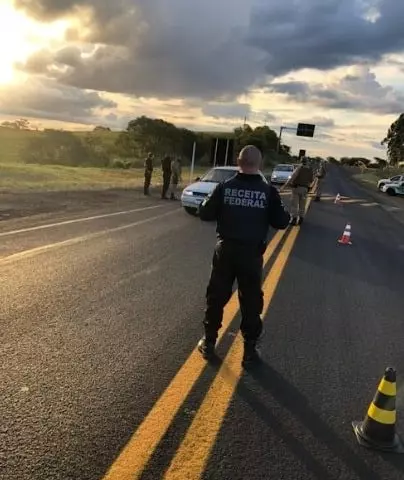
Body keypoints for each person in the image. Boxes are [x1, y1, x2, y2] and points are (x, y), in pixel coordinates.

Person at [197, 145, 290, 367]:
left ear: (238, 162)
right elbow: (282, 221)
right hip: (251, 255)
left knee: (216, 296)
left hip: (225, 251)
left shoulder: (224, 187)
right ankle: (249, 350)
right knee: (250, 301)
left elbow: (205, 212)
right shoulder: (268, 192)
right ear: (259, 164)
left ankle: (209, 342)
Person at [282, 156, 313, 226]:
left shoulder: (299, 168)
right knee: (302, 205)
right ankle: (301, 219)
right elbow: (311, 180)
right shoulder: (310, 170)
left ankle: (294, 219)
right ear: (307, 162)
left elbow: (292, 177)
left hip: (296, 188)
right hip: (305, 189)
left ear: (301, 161)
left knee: (294, 205)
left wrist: (285, 185)